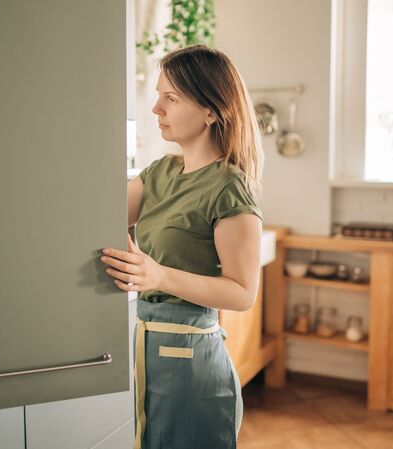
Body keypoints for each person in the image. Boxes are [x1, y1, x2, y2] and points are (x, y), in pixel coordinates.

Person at [100, 44, 264, 449]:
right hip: (147, 351)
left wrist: (156, 274)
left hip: (194, 368)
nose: (156, 109)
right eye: (158, 96)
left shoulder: (229, 187)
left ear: (211, 110)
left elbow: (242, 293)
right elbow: (98, 221)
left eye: (170, 98)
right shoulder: (160, 172)